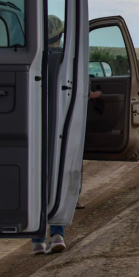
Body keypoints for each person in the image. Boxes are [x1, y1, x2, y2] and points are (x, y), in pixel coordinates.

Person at [31, 15, 99, 256]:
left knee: (36, 181)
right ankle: (57, 233)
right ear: (60, 36)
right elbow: (81, 91)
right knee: (59, 177)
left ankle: (37, 240)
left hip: (34, 128)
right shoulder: (69, 60)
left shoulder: (32, 59)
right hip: (62, 128)